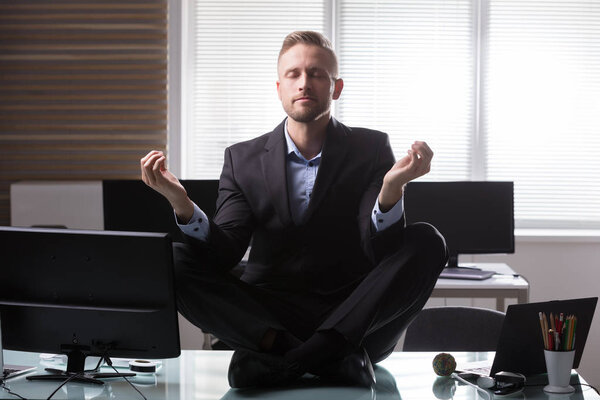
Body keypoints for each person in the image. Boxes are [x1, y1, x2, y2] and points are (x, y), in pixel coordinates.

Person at [141, 31, 448, 389]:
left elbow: (379, 250)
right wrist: (182, 202)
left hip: (354, 316)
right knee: (171, 259)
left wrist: (392, 189)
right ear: (279, 87)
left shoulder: (371, 148)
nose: (305, 83)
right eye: (294, 74)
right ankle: (316, 356)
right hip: (269, 318)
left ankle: (298, 358)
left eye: (317, 74)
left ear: (336, 87)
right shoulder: (242, 159)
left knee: (428, 240)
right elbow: (223, 253)